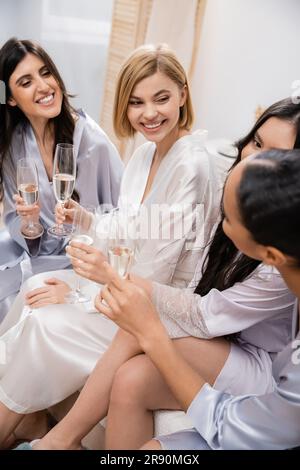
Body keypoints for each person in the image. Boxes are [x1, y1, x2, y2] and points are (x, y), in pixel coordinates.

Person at [26, 100, 300, 451]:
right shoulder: (146, 159)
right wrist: (91, 234)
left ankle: (58, 440)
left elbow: (206, 314)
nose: (252, 161)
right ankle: (58, 437)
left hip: (259, 365)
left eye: (276, 157)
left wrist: (114, 278)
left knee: (134, 327)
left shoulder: (277, 262)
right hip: (231, 342)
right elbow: (137, 230)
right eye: (257, 143)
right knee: (130, 378)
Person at [0, 43, 221, 447]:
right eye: (136, 102)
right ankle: (28, 420)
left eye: (162, 98)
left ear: (183, 95)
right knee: (32, 292)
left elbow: (154, 274)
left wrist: (80, 292)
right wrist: (84, 219)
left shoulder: (191, 167)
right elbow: (124, 226)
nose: (148, 113)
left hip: (160, 310)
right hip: (127, 288)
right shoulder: (143, 154)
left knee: (44, 324)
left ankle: (27, 432)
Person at [0, 37, 123, 321]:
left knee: (25, 310)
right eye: (26, 82)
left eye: (46, 73)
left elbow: (119, 225)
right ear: (10, 98)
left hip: (85, 263)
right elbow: (19, 226)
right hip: (34, 254)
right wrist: (29, 223)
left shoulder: (93, 145)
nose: (44, 87)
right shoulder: (14, 145)